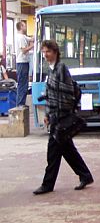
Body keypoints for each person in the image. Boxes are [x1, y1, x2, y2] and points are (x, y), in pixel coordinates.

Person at [33, 40, 93, 195]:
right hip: (54, 115)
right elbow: (50, 94)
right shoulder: (51, 70)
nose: (45, 55)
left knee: (53, 152)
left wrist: (59, 113)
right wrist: (47, 114)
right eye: (44, 52)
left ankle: (47, 184)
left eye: (48, 51)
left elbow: (66, 94)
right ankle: (85, 175)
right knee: (67, 150)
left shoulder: (61, 68)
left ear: (55, 52)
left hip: (61, 117)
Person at [16, 21, 33, 106]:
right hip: (21, 63)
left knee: (25, 84)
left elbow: (31, 39)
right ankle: (20, 104)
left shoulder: (23, 37)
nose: (26, 27)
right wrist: (32, 46)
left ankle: (21, 103)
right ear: (21, 27)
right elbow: (24, 50)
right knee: (22, 84)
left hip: (24, 62)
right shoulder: (20, 38)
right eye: (24, 25)